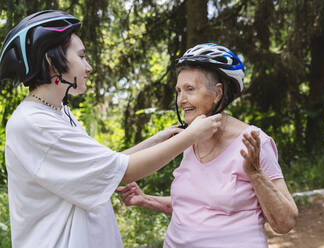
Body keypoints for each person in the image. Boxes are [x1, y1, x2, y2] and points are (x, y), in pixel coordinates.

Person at [0, 11, 222, 248]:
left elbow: (105, 165)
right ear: (50, 61)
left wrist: (157, 140)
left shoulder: (58, 114)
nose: (89, 67)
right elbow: (125, 172)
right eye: (82, 56)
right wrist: (191, 136)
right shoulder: (34, 123)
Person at [117, 43, 299, 248]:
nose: (180, 100)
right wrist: (146, 200)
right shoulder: (189, 139)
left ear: (218, 93)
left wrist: (256, 174)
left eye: (190, 89)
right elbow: (196, 206)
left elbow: (286, 222)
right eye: (178, 90)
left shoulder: (254, 141)